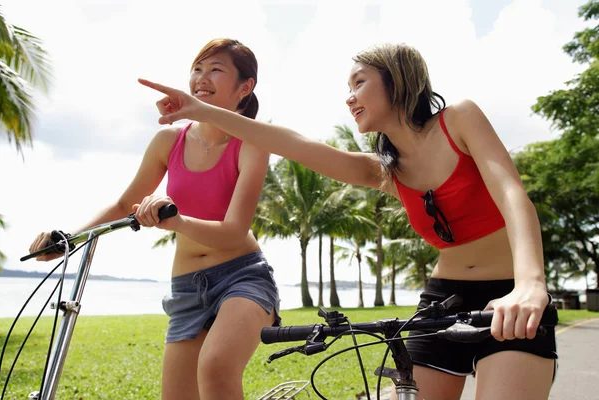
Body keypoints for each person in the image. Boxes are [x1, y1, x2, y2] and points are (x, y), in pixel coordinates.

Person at [139, 42, 557, 400]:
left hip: (513, 295)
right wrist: (201, 111)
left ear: (397, 80)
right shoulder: (384, 170)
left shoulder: (459, 120)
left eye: (359, 83)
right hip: (442, 302)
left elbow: (511, 194)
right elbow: (293, 144)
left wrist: (530, 285)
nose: (350, 96)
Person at [29, 38, 280, 400]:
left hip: (242, 276)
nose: (201, 77)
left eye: (215, 70)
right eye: (197, 69)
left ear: (245, 87)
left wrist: (176, 222)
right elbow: (123, 204)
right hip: (187, 286)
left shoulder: (253, 142)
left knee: (216, 367)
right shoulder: (168, 141)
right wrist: (69, 238)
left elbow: (232, 232)